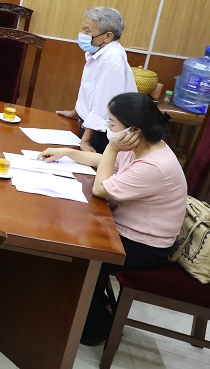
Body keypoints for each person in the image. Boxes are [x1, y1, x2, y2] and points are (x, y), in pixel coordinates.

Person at [39, 92, 186, 346]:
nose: (107, 127)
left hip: (146, 246)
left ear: (133, 130)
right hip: (127, 230)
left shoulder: (154, 166)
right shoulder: (140, 145)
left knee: (74, 257)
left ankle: (98, 327)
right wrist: (66, 152)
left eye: (111, 123)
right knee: (74, 234)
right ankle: (93, 302)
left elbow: (101, 188)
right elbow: (108, 163)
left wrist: (111, 146)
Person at [56, 7, 137, 153]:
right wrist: (76, 112)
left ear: (107, 36)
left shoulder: (112, 59)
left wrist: (85, 140)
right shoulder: (98, 52)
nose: (82, 34)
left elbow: (103, 105)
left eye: (87, 30)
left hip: (101, 134)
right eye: (83, 28)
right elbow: (89, 90)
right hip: (88, 126)